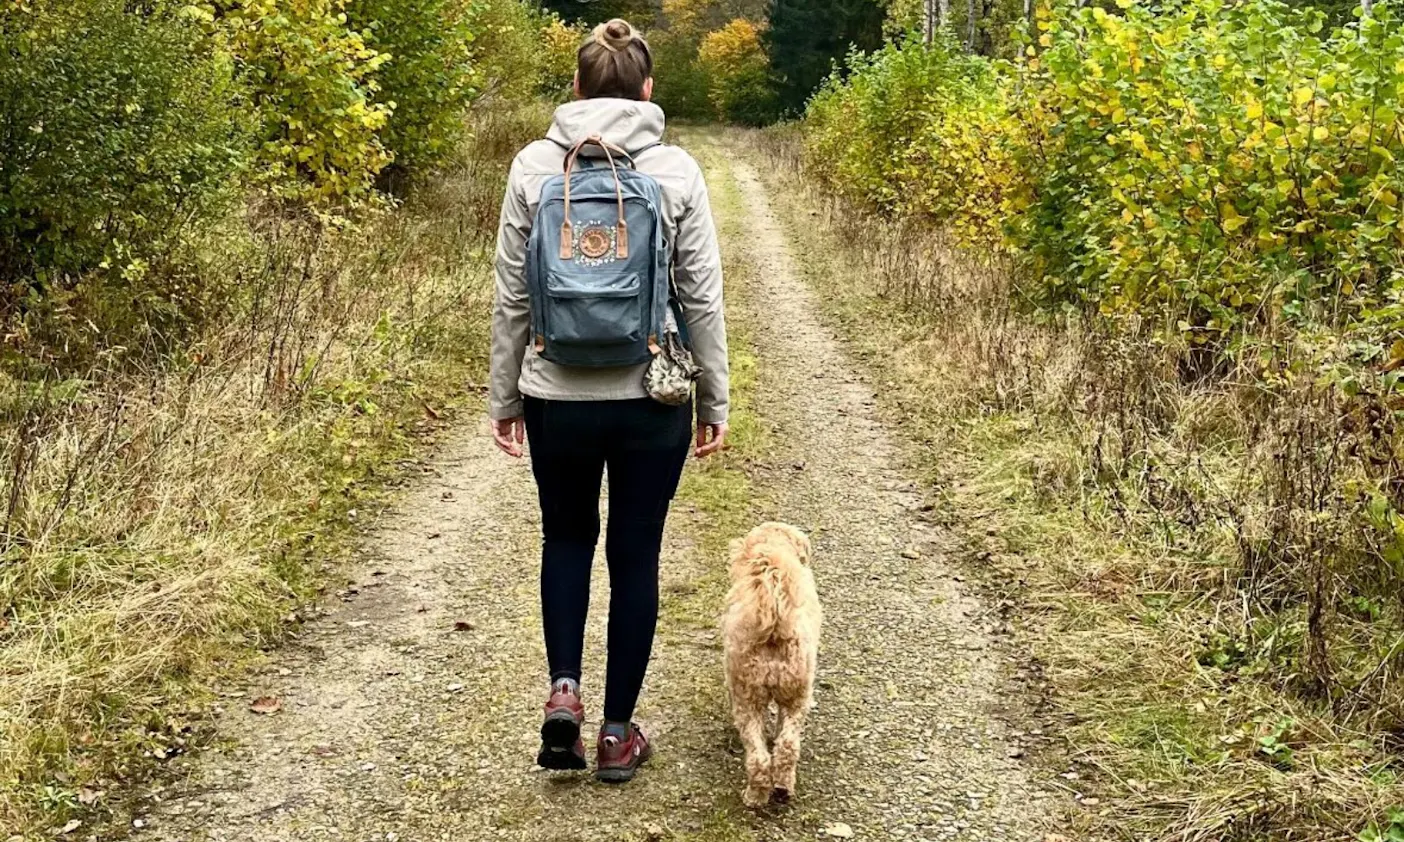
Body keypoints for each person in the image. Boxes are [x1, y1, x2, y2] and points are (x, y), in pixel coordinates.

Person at [487, 18, 729, 783]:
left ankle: (564, 689)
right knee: (635, 555)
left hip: (555, 394)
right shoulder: (676, 171)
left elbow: (512, 296)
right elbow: (702, 297)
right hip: (650, 395)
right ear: (647, 90)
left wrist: (505, 395)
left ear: (576, 87)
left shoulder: (534, 167)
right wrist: (714, 400)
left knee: (565, 538)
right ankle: (618, 734)